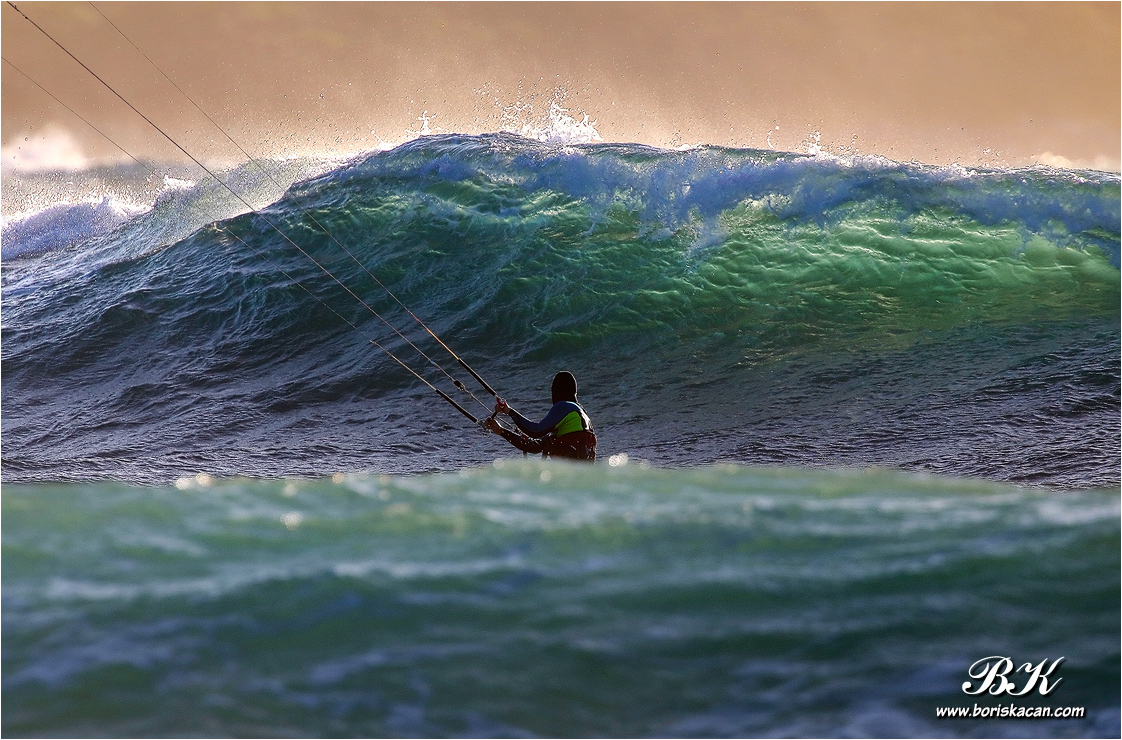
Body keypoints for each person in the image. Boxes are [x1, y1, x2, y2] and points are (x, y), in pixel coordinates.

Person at [484, 371, 597, 461]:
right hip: (581, 475)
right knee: (550, 443)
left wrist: (509, 411)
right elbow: (533, 446)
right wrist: (500, 430)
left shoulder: (564, 406)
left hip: (569, 474)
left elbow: (535, 431)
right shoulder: (581, 417)